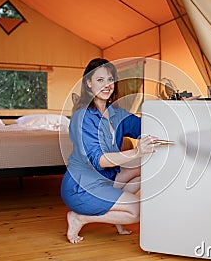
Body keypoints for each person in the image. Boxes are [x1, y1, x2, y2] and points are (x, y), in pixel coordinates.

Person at [61, 58, 159, 243]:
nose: (107, 85)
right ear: (88, 83)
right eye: (100, 80)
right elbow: (99, 160)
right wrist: (136, 152)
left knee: (143, 167)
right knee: (137, 211)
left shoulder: (116, 113)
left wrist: (177, 108)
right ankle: (80, 218)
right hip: (82, 187)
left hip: (106, 179)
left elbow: (146, 126)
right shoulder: (82, 116)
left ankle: (116, 214)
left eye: (110, 79)